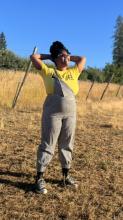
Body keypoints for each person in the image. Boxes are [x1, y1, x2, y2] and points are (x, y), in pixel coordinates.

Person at [30, 41, 86, 194]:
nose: (65, 58)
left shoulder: (73, 72)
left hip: (71, 113)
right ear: (55, 59)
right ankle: (39, 178)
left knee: (67, 143)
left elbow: (82, 59)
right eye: (61, 56)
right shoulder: (48, 71)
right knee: (48, 144)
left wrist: (66, 54)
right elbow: (34, 57)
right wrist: (52, 56)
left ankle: (65, 176)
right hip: (52, 112)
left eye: (66, 55)